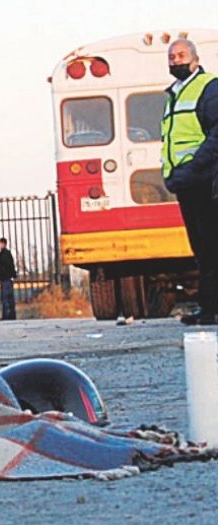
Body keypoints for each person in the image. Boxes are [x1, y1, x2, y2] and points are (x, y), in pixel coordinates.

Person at [161, 38, 218, 325]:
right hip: (187, 182)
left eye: (181, 55)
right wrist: (171, 175)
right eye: (171, 57)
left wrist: (196, 167)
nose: (175, 61)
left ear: (195, 58)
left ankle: (211, 309)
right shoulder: (174, 93)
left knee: (211, 244)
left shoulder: (209, 87)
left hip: (206, 180)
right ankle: (209, 308)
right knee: (202, 248)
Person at [0, 238, 17, 321]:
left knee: (6, 297)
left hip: (6, 278)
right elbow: (11, 265)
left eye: (0, 243)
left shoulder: (4, 254)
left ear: (4, 244)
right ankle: (11, 315)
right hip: (7, 278)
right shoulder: (6, 253)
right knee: (9, 297)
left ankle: (7, 315)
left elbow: (9, 265)